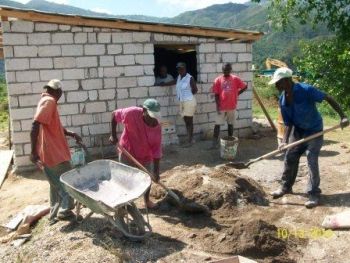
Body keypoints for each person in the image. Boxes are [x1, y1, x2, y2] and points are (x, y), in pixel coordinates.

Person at [269, 67, 349, 208]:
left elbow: (328, 97)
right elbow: (288, 123)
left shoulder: (306, 90)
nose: (276, 86)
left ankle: (313, 193)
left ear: (287, 81)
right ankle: (286, 187)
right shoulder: (283, 100)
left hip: (314, 131)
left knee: (311, 159)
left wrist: (343, 116)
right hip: (298, 131)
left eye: (278, 82)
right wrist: (284, 141)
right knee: (290, 156)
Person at [30, 79, 82, 223]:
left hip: (51, 152)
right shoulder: (50, 101)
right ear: (58, 92)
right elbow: (35, 125)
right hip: (54, 153)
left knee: (55, 184)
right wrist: (33, 152)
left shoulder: (45, 101)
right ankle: (65, 212)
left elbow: (53, 125)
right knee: (68, 180)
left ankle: (54, 213)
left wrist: (70, 133)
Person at [109, 99, 162, 209]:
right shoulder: (131, 113)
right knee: (125, 178)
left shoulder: (157, 126)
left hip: (145, 154)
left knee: (147, 179)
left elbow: (156, 149)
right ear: (143, 110)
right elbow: (114, 115)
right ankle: (124, 202)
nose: (153, 120)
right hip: (127, 151)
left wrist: (156, 172)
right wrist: (113, 135)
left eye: (155, 116)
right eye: (151, 116)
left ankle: (147, 201)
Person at [210, 63, 247, 148]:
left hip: (232, 106)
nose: (226, 71)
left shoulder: (235, 79)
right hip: (221, 106)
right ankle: (214, 143)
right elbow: (216, 94)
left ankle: (230, 141)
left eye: (228, 69)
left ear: (230, 70)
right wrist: (217, 106)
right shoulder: (218, 80)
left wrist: (237, 93)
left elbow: (245, 87)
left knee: (230, 124)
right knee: (217, 124)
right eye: (225, 70)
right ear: (222, 70)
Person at [161, 62, 198, 147]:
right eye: (178, 69)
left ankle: (190, 140)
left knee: (189, 121)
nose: (180, 70)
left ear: (185, 68)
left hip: (189, 101)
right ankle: (190, 138)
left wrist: (188, 94)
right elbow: (172, 82)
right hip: (182, 102)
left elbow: (195, 90)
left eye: (181, 68)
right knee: (186, 120)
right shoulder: (179, 77)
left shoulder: (190, 78)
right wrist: (162, 84)